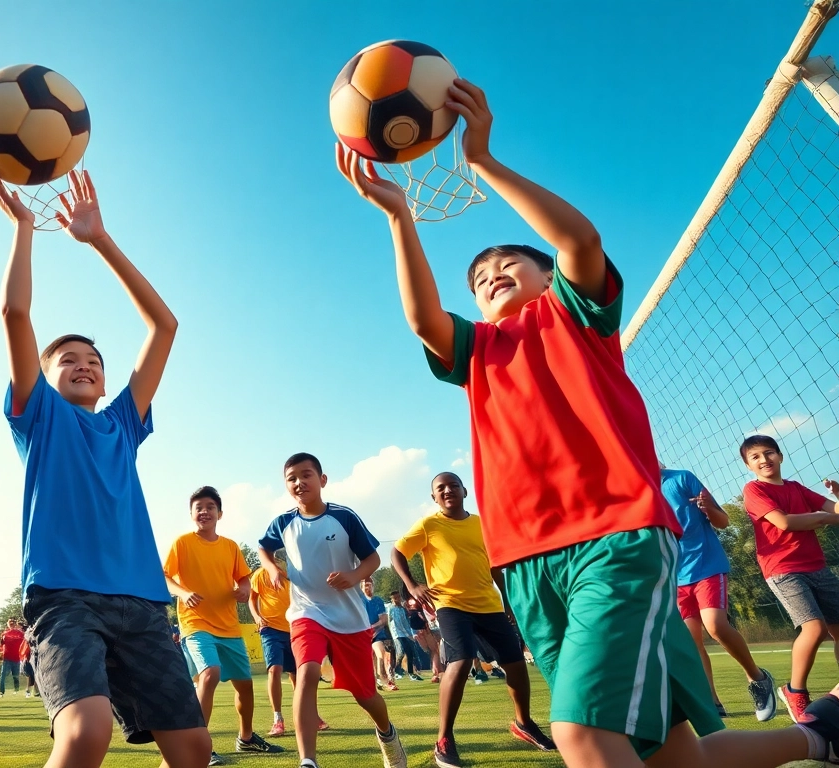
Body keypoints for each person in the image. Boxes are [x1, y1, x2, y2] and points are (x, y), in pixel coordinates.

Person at [336, 77, 839, 767]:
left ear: (550, 278)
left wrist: (481, 160)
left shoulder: (574, 314)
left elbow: (580, 238)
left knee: (581, 734)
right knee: (674, 758)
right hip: (524, 564)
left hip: (614, 540)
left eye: (508, 264)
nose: (491, 275)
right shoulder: (477, 349)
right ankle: (820, 734)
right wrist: (399, 218)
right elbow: (424, 320)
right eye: (478, 279)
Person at [0, 164, 209, 768]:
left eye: (93, 359)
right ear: (44, 377)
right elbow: (14, 314)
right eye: (67, 359)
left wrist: (100, 239)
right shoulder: (40, 415)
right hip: (65, 599)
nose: (83, 364)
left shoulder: (123, 423)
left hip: (142, 603)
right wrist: (24, 228)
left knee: (193, 748)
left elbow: (164, 325)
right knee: (86, 732)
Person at [391, 471, 554, 768]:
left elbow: (494, 566)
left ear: (465, 491)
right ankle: (444, 738)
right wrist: (412, 585)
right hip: (451, 604)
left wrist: (507, 600)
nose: (447, 490)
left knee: (515, 662)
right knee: (461, 660)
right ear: (433, 497)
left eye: (453, 485)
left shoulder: (482, 524)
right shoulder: (429, 525)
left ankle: (524, 723)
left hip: (488, 605)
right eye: (441, 488)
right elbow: (397, 552)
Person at [258, 453, 406, 768]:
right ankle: (308, 761)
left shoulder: (344, 517)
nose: (299, 482)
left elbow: (373, 558)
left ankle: (387, 734)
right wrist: (271, 567)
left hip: (349, 619)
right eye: (292, 478)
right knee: (307, 671)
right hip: (306, 612)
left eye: (306, 475)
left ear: (322, 480)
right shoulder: (283, 522)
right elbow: (263, 548)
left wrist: (354, 575)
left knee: (366, 695)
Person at [165, 486, 281, 765]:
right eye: (199, 508)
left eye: (210, 507)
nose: (204, 511)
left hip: (229, 627)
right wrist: (183, 593)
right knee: (210, 674)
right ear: (191, 514)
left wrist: (244, 589)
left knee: (245, 687)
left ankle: (246, 738)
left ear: (220, 513)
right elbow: (165, 576)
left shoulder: (230, 546)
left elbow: (243, 578)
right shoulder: (182, 543)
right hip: (195, 623)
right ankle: (198, 746)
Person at [661, 462, 777, 721]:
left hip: (707, 566)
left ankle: (758, 678)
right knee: (690, 641)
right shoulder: (636, 493)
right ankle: (711, 700)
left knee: (715, 626)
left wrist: (708, 508)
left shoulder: (681, 479)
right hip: (673, 577)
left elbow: (723, 521)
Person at [739, 434, 839, 722]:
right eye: (755, 456)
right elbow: (784, 522)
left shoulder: (797, 488)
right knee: (814, 628)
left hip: (817, 566)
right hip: (783, 569)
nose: (764, 459)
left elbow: (835, 509)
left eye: (769, 453)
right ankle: (795, 691)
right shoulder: (754, 490)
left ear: (780, 456)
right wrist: (825, 518)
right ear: (748, 465)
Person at [248, 552, 328, 739]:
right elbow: (252, 599)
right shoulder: (260, 574)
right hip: (270, 629)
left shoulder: (294, 575)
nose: (277, 560)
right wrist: (257, 617)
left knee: (299, 675)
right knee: (274, 669)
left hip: (295, 628)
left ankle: (311, 715)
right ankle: (278, 719)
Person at [359, 579, 395, 691]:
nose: (368, 587)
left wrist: (372, 627)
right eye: (365, 585)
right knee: (368, 660)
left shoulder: (378, 600)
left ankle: (383, 679)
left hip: (377, 633)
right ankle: (372, 681)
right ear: (361, 587)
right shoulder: (359, 601)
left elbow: (383, 619)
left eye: (370, 585)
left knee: (381, 653)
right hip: (362, 634)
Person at [386, 594, 418, 682]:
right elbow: (391, 622)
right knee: (400, 652)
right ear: (392, 599)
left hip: (406, 634)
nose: (397, 599)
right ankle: (395, 671)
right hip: (397, 634)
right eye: (395, 598)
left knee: (410, 653)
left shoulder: (403, 609)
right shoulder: (391, 609)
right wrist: (389, 635)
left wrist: (411, 633)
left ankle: (411, 673)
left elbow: (407, 622)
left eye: (398, 597)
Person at [0, 619, 24, 698]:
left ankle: (16, 689)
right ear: (8, 624)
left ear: (15, 624)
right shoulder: (4, 634)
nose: (11, 624)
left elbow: (24, 645)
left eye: (13, 623)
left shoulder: (20, 634)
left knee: (15, 676)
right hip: (7, 658)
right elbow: (1, 645)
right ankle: (1, 692)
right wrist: (0, 655)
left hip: (17, 658)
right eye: (10, 623)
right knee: (3, 675)